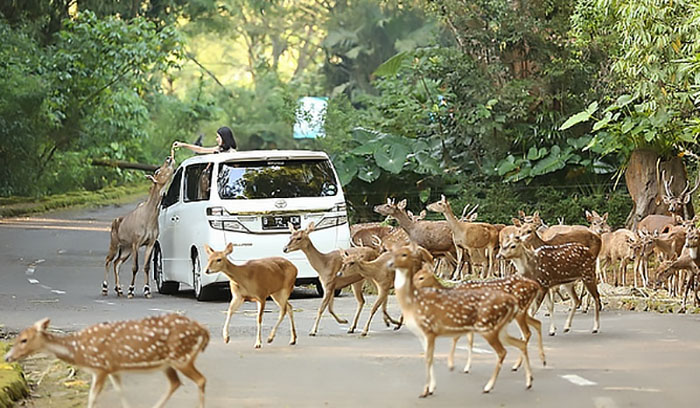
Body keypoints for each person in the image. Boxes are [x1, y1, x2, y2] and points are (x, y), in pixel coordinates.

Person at [172, 126, 237, 154]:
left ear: (224, 137)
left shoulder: (232, 153)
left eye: (218, 137)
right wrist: (183, 145)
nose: (216, 139)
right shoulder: (218, 149)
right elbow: (200, 150)